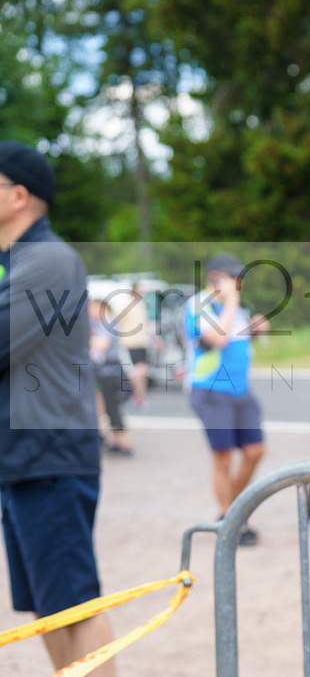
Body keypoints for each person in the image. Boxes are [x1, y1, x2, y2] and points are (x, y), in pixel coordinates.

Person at [0, 141, 116, 675]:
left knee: (75, 602)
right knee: (48, 609)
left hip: (48, 455)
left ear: (19, 195)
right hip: (23, 457)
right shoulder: (16, 262)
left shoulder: (48, 260)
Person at [183, 253, 267, 546]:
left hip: (240, 389)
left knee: (255, 451)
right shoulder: (199, 304)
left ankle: (231, 510)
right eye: (233, 278)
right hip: (211, 388)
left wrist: (255, 328)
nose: (238, 284)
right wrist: (231, 302)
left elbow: (238, 339)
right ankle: (231, 518)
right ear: (215, 277)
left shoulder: (237, 307)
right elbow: (218, 338)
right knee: (224, 457)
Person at [89, 298, 134, 457]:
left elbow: (103, 345)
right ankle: (117, 442)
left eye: (92, 309)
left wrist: (87, 338)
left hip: (111, 373)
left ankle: (124, 444)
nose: (90, 313)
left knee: (113, 409)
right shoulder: (102, 324)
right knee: (109, 409)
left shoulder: (108, 323)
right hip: (106, 372)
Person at [113, 284, 154, 409]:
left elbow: (146, 323)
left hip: (142, 343)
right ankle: (136, 396)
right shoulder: (126, 304)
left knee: (143, 372)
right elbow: (116, 319)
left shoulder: (141, 305)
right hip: (129, 343)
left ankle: (140, 397)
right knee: (136, 372)